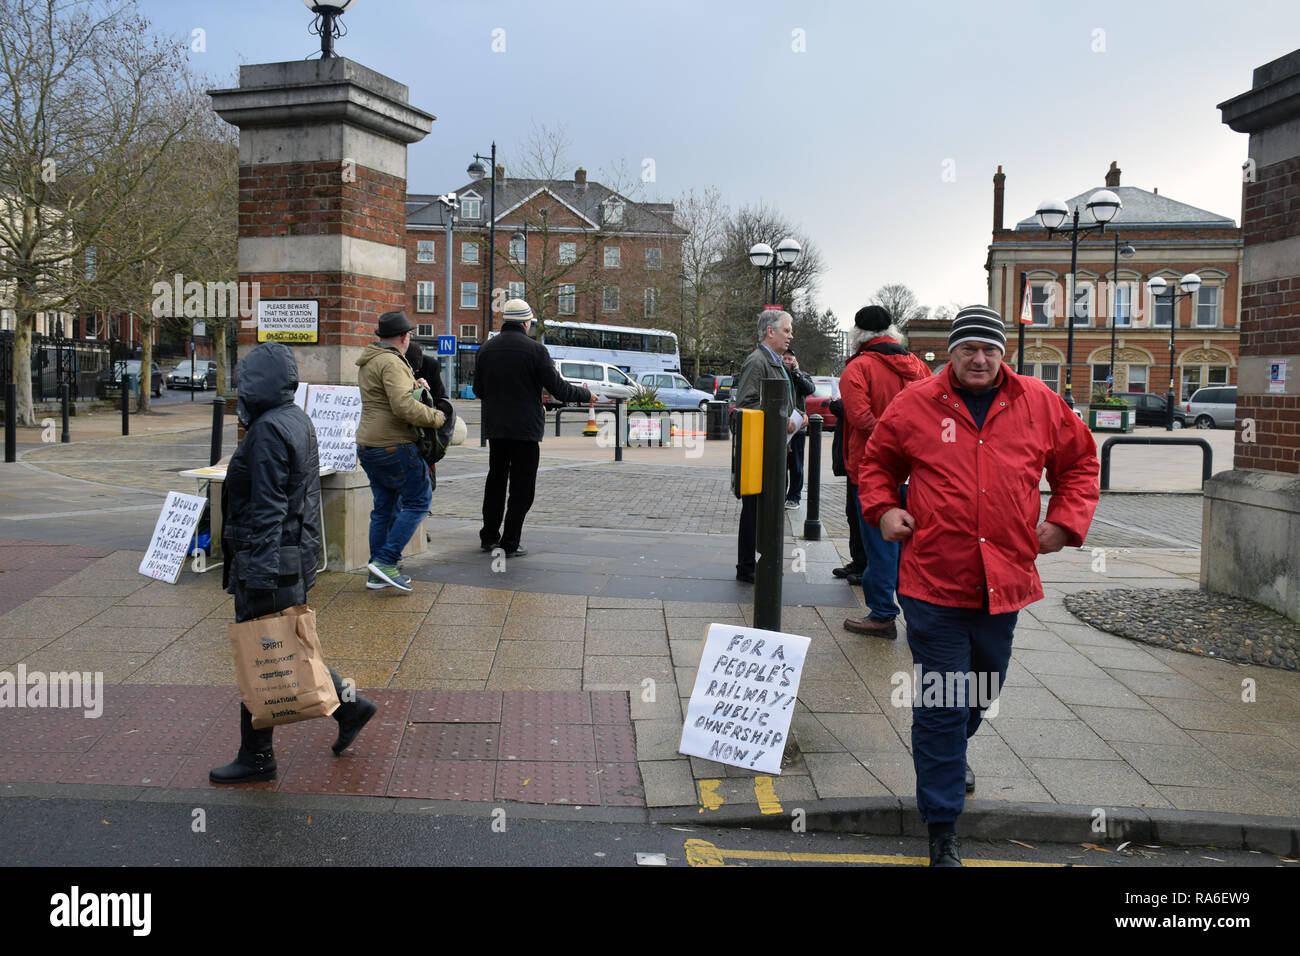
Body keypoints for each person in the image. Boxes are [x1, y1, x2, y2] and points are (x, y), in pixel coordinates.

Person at [858, 305, 1099, 866]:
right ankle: (942, 826)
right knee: (942, 702)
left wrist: (1064, 522)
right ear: (951, 352)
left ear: (1003, 354)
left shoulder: (1038, 401)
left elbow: (1081, 463)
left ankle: (948, 752)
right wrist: (885, 508)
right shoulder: (916, 403)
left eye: (989, 349)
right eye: (968, 348)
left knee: (983, 691)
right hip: (932, 583)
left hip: (1005, 581)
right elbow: (877, 463)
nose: (979, 357)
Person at [210, 341, 378, 784]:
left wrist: (260, 576)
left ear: (257, 384)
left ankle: (258, 757)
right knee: (286, 648)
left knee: (259, 653)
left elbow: (268, 509)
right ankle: (350, 707)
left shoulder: (267, 430)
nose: (240, 388)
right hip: (290, 557)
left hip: (268, 561)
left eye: (244, 380)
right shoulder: (295, 418)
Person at [474, 298, 594, 556]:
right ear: (526, 323)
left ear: (505, 321)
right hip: (525, 430)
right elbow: (558, 388)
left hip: (496, 429)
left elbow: (478, 390)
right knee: (522, 487)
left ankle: (489, 537)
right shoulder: (536, 351)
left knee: (495, 480)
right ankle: (509, 543)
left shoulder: (485, 349)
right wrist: (586, 396)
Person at [839, 305, 931, 637]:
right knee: (917, 548)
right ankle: (922, 616)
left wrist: (890, 443)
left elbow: (861, 417)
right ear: (891, 332)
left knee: (880, 544)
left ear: (857, 334)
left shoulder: (858, 368)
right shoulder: (919, 366)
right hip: (917, 470)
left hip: (872, 470)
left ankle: (882, 614)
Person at [354, 311, 445, 591]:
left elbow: (388, 396)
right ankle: (386, 561)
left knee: (384, 508)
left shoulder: (370, 360)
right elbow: (402, 407)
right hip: (394, 445)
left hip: (369, 444)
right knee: (419, 501)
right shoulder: (392, 362)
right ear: (405, 337)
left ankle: (376, 574)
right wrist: (436, 417)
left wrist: (415, 386)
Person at [731, 308, 796, 584]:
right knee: (755, 510)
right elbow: (745, 408)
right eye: (786, 330)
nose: (790, 336)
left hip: (774, 449)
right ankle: (748, 567)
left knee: (766, 510)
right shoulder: (757, 362)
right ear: (771, 332)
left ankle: (760, 563)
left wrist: (796, 415)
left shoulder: (776, 361)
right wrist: (784, 420)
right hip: (761, 452)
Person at [782, 348, 816, 511]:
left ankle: (794, 496)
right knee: (782, 463)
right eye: (785, 358)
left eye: (790, 359)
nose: (787, 361)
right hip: (782, 425)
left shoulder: (801, 375)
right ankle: (780, 494)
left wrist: (797, 373)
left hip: (798, 427)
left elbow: (810, 389)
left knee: (796, 463)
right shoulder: (779, 374)